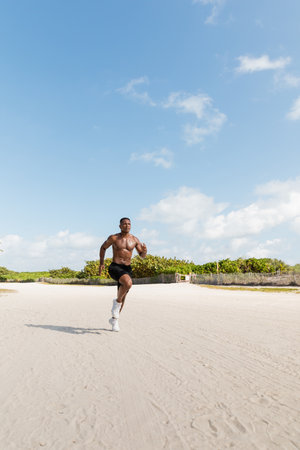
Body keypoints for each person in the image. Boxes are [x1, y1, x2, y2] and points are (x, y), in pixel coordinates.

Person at [99, 218, 147, 332]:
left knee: (123, 295)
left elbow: (142, 255)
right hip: (115, 267)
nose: (127, 225)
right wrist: (101, 263)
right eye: (124, 224)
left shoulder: (134, 239)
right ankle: (116, 303)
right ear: (120, 226)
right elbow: (103, 247)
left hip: (127, 268)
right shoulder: (114, 238)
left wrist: (145, 251)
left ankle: (114, 320)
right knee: (128, 283)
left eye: (129, 224)